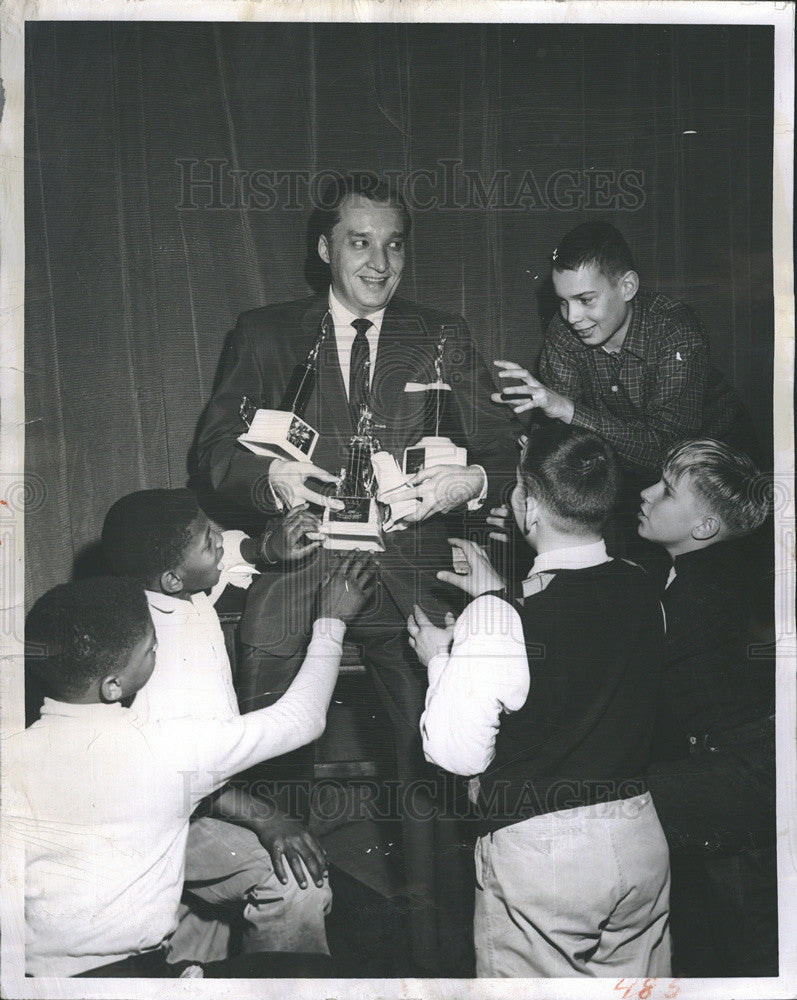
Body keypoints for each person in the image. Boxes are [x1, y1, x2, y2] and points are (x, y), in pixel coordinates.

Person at [196, 172, 517, 969]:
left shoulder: (442, 333)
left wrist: (471, 481)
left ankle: (438, 956)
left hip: (413, 570)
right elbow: (211, 454)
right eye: (359, 242)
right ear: (324, 249)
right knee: (266, 676)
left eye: (393, 244)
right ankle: (286, 926)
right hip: (307, 562)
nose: (379, 262)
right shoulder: (268, 332)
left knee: (437, 756)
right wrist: (266, 482)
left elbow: (505, 450)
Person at [6, 558, 373, 977]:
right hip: (134, 976)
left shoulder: (11, 753)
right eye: (151, 649)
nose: (158, 651)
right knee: (312, 979)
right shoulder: (165, 747)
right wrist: (330, 623)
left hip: (36, 980)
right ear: (113, 686)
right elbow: (302, 719)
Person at [408, 421, 670, 977]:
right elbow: (580, 638)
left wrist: (441, 660)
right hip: (640, 838)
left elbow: (459, 755)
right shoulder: (642, 583)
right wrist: (496, 600)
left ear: (528, 511)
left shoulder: (500, 617)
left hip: (547, 856)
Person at [100, 488, 330, 964]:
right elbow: (180, 778)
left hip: (192, 803)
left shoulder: (178, 593)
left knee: (197, 938)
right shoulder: (149, 658)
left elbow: (230, 557)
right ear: (171, 578)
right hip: (160, 820)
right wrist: (264, 817)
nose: (221, 541)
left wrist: (264, 548)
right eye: (210, 542)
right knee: (296, 886)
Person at [491, 221, 755, 549]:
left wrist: (568, 410)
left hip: (719, 469)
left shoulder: (674, 330)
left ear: (627, 286)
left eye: (586, 299)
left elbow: (666, 453)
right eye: (562, 301)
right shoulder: (565, 332)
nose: (572, 316)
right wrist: (530, 502)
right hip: (634, 473)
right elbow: (573, 448)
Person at [636, 439, 776, 976]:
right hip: (721, 765)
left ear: (704, 528)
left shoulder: (702, 593)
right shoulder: (695, 570)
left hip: (737, 777)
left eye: (667, 491)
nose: (647, 494)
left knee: (747, 943)